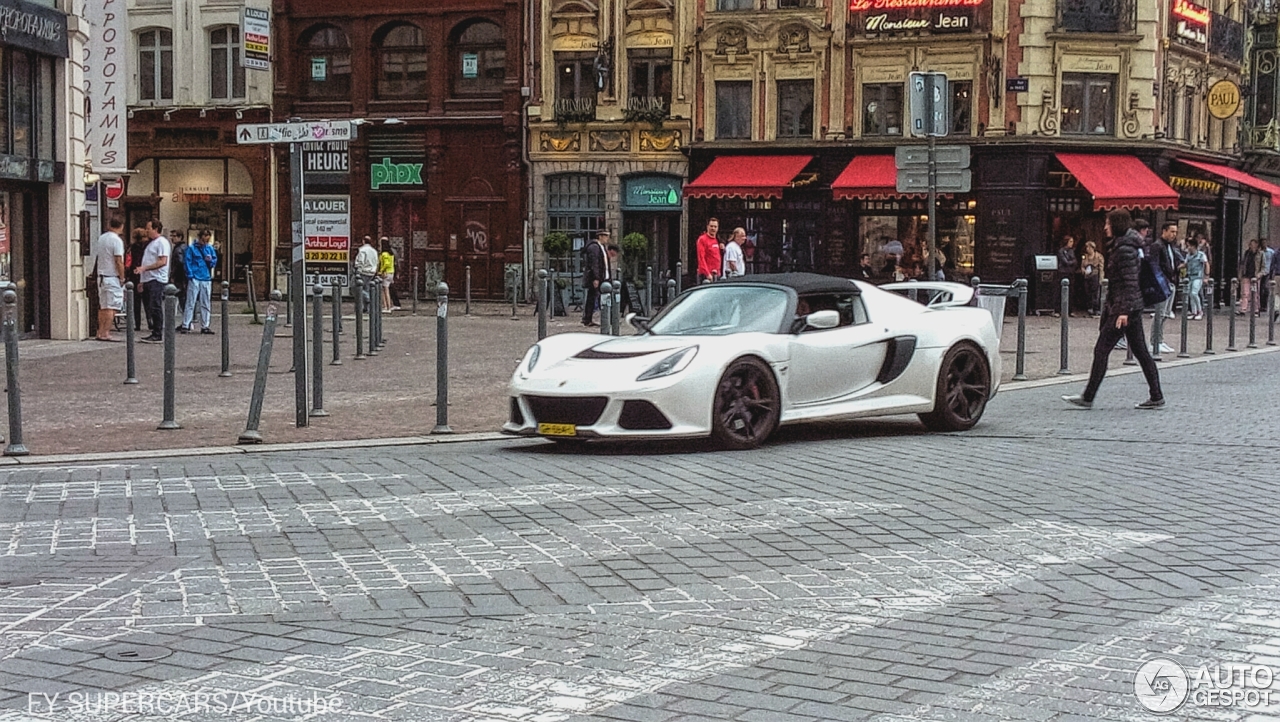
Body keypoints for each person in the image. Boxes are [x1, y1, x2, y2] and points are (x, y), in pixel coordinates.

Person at [1062, 209, 1164, 410]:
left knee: (1102, 349)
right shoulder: (1126, 245)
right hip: (1128, 306)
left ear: (1116, 224)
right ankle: (1156, 394)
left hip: (1124, 308)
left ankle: (1088, 397)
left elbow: (1129, 282)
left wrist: (1123, 311)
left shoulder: (1125, 249)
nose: (1105, 227)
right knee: (1141, 351)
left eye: (1108, 223)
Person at [135, 220, 171, 343]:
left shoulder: (161, 242)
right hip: (149, 279)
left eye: (149, 228)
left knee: (156, 306)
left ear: (156, 229)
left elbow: (162, 261)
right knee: (150, 306)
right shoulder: (151, 243)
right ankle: (154, 331)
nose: (147, 230)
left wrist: (144, 269)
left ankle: (157, 333)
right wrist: (142, 280)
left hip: (157, 279)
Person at [92, 217, 126, 341]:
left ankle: (100, 331)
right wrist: (122, 277)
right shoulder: (116, 240)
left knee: (103, 306)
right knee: (112, 306)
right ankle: (106, 332)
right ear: (121, 226)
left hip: (101, 276)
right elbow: (118, 261)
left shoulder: (102, 238)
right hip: (112, 276)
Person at [182, 230, 218, 334]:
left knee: (205, 302)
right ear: (199, 237)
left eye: (207, 240)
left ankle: (205, 325)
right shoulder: (192, 248)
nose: (205, 242)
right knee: (190, 302)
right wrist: (190, 275)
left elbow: (214, 262)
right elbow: (187, 262)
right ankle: (186, 324)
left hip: (205, 278)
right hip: (196, 277)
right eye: (204, 239)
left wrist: (210, 261)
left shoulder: (209, 248)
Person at [581, 230, 608, 326]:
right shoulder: (594, 247)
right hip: (597, 277)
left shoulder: (602, 247)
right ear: (600, 236)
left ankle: (589, 318)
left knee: (594, 297)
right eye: (605, 236)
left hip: (603, 276)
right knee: (594, 298)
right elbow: (594, 263)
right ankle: (589, 318)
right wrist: (596, 278)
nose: (607, 238)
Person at [125, 228, 150, 330]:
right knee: (147, 301)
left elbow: (128, 262)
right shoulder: (148, 246)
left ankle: (137, 324)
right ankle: (150, 322)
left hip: (134, 275)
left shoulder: (131, 248)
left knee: (136, 302)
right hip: (146, 274)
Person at [1183, 236, 1208, 321]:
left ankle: (1200, 311)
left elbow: (1206, 264)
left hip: (1198, 277)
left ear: (1193, 246)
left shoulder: (1201, 255)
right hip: (1190, 276)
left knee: (1194, 293)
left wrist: (1206, 276)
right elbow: (1185, 264)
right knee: (1190, 294)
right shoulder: (1188, 255)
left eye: (1189, 246)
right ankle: (1194, 312)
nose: (1188, 247)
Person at [1079, 240, 1104, 317]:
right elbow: (1082, 266)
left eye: (1089, 247)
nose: (1087, 249)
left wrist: (1101, 278)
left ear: (1092, 248)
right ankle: (1089, 308)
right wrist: (1083, 271)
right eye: (1086, 247)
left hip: (1095, 275)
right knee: (1088, 292)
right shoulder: (1085, 256)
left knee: (1095, 293)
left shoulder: (1099, 256)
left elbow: (1101, 268)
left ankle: (1096, 309)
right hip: (1087, 276)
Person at [1055, 235, 1077, 317]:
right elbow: (1065, 262)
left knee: (1071, 292)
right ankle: (1058, 309)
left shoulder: (1072, 251)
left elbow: (1075, 261)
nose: (1072, 243)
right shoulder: (1061, 251)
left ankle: (1070, 310)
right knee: (1060, 291)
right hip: (1062, 272)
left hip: (1070, 272)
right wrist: (1071, 262)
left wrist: (1071, 262)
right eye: (1070, 241)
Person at [1239, 239, 1262, 316]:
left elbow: (1264, 267)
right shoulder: (1247, 253)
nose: (1251, 246)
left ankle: (1256, 309)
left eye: (1253, 244)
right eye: (1250, 244)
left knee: (1255, 294)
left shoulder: (1260, 254)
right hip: (1246, 275)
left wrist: (1259, 274)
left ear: (1256, 245)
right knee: (1245, 293)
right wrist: (1241, 273)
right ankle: (1243, 309)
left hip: (1255, 276)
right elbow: (1242, 264)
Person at [169, 230, 189, 317]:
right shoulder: (184, 247)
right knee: (183, 299)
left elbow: (179, 263)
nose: (172, 238)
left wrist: (173, 275)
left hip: (180, 278)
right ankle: (187, 320)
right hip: (184, 277)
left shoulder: (178, 249)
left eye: (174, 236)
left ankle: (186, 320)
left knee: (181, 298)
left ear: (180, 237)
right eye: (171, 236)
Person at [696, 218, 721, 283]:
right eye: (711, 226)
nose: (713, 228)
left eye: (715, 227)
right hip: (707, 275)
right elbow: (701, 258)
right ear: (707, 227)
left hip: (716, 274)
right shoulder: (702, 239)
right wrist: (707, 274)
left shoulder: (717, 239)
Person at [377, 238, 398, 311]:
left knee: (385, 290)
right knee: (386, 289)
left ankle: (387, 307)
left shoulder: (384, 254)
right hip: (391, 272)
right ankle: (386, 306)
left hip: (386, 273)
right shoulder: (391, 253)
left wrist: (381, 271)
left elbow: (386, 263)